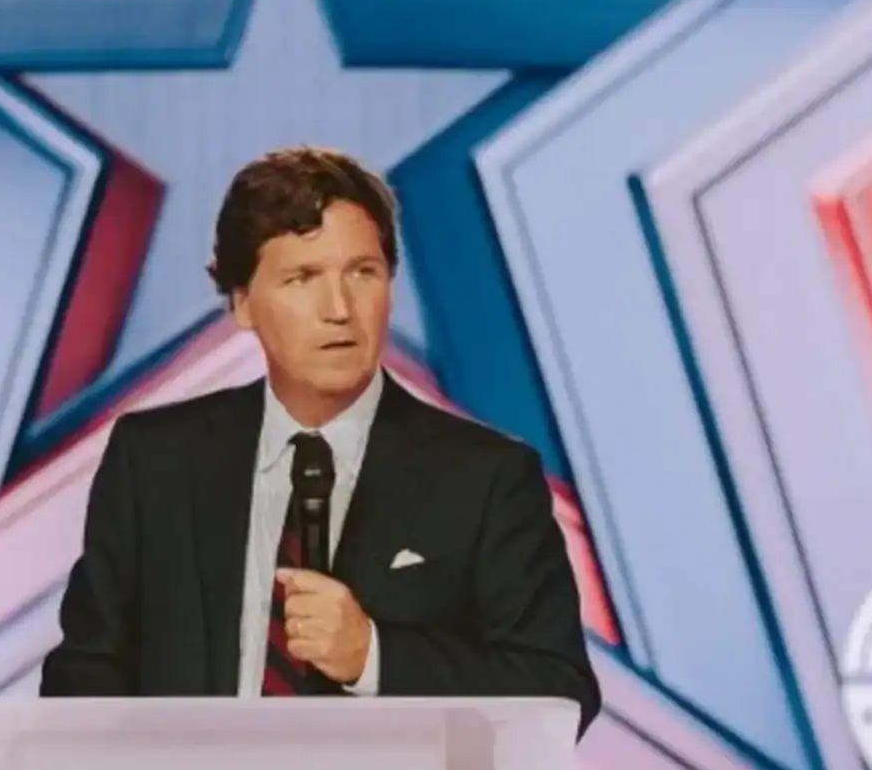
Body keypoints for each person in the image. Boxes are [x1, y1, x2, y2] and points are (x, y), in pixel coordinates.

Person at [39, 146, 601, 738]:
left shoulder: (488, 477)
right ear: (242, 304)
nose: (339, 310)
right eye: (303, 278)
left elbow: (558, 694)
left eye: (363, 273)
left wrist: (373, 655)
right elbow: (85, 676)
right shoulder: (154, 461)